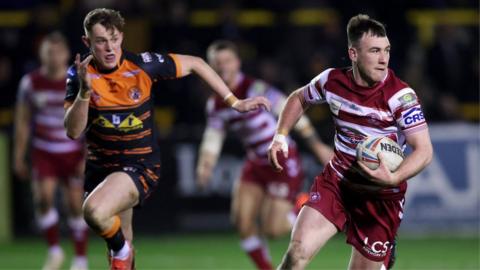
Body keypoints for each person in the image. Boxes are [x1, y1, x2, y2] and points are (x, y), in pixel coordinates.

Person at [63, 8, 270, 270]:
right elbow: (73, 131)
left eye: (114, 39)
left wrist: (234, 101)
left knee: (94, 212)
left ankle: (123, 251)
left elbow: (197, 63)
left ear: (122, 37)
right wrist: (84, 93)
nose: (109, 47)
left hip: (139, 165)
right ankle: (123, 252)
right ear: (87, 43)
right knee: (119, 246)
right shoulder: (78, 75)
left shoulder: (142, 65)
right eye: (101, 41)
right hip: (101, 168)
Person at [268, 14, 433, 270]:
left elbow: (424, 150)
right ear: (353, 54)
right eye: (375, 51)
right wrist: (280, 137)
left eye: (387, 50)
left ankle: (383, 256)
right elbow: (299, 98)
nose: (383, 59)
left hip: (380, 195)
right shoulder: (332, 81)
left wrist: (393, 177)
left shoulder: (401, 96)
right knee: (296, 254)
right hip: (338, 182)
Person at [196, 40, 333, 270]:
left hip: (282, 158)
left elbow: (291, 110)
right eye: (217, 63)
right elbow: (213, 136)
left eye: (227, 61)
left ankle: (303, 204)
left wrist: (317, 146)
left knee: (273, 230)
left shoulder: (255, 89)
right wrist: (205, 165)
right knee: (242, 221)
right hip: (255, 162)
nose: (223, 67)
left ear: (237, 63)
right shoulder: (215, 104)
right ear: (211, 68)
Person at [13, 32, 89, 270]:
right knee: (43, 199)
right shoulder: (30, 82)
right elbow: (23, 121)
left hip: (73, 150)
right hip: (43, 150)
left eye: (57, 52)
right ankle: (55, 251)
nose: (53, 57)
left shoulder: (78, 79)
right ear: (41, 54)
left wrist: (88, 155)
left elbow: (91, 119)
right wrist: (18, 155)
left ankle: (80, 259)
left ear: (66, 54)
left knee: (75, 205)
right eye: (48, 52)